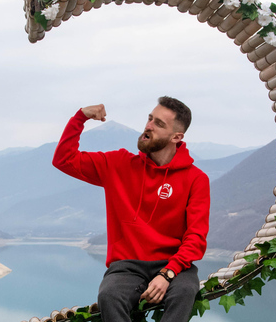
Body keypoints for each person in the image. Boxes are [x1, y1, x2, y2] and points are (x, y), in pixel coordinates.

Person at [52, 97, 210, 322]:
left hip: (175, 264)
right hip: (126, 267)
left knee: (184, 293)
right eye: (149, 119)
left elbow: (196, 237)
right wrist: (81, 117)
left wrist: (168, 273)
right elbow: (63, 159)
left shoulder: (196, 179)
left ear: (177, 137)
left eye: (159, 124)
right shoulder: (118, 164)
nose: (149, 126)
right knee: (109, 296)